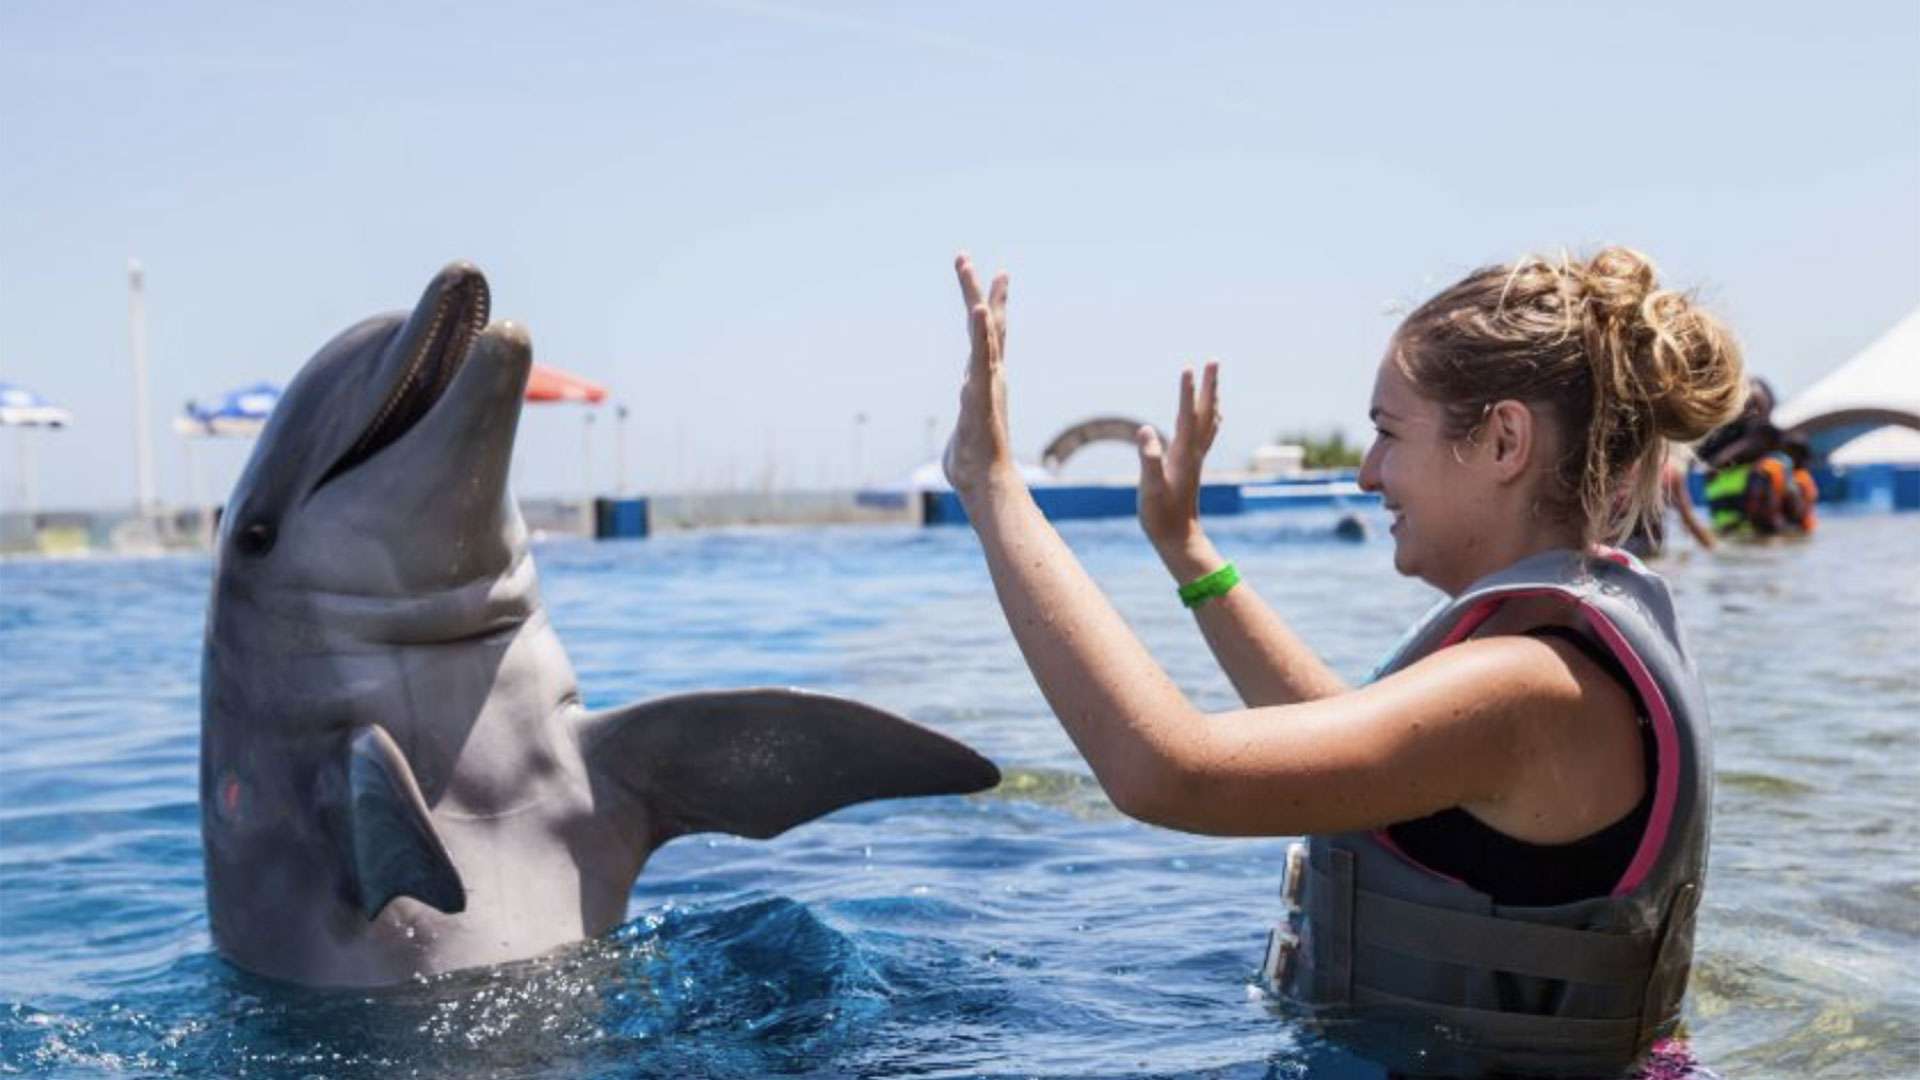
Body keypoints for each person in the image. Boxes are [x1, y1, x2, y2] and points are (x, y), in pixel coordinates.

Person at [942, 247, 1744, 1078]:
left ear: (1504, 440)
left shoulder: (1532, 686)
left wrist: (994, 490)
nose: (1367, 474)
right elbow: (1341, 750)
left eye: (1389, 435)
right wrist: (1186, 552)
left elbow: (1167, 771)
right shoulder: (1553, 655)